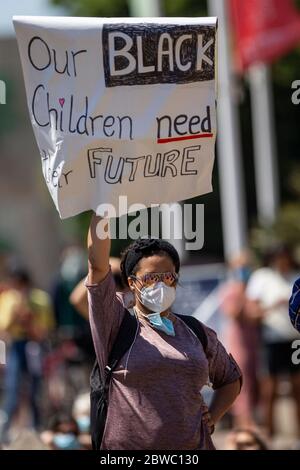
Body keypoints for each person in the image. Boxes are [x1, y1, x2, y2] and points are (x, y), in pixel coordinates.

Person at [85, 213, 242, 450]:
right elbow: (97, 267)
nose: (160, 285)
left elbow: (231, 379)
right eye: (149, 278)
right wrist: (103, 207)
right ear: (131, 282)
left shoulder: (195, 331)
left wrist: (214, 416)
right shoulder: (115, 324)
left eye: (167, 277)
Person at [246, 245, 300, 437]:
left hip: (295, 340)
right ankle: (269, 434)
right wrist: (273, 306)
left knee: (297, 389)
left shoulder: (296, 275)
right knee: (270, 389)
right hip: (272, 340)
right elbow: (251, 312)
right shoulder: (262, 278)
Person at [0, 268, 55, 443]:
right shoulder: (8, 299)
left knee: (35, 390)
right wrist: (16, 315)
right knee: (13, 388)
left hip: (35, 346)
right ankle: (5, 429)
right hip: (16, 345)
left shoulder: (41, 299)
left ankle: (37, 429)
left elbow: (45, 329)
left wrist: (30, 320)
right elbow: (4, 327)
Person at [220, 252, 259, 427]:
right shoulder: (230, 291)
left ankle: (251, 420)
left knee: (255, 381)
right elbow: (233, 313)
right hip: (238, 342)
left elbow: (257, 315)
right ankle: (244, 422)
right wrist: (241, 294)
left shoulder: (254, 290)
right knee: (242, 382)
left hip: (254, 342)